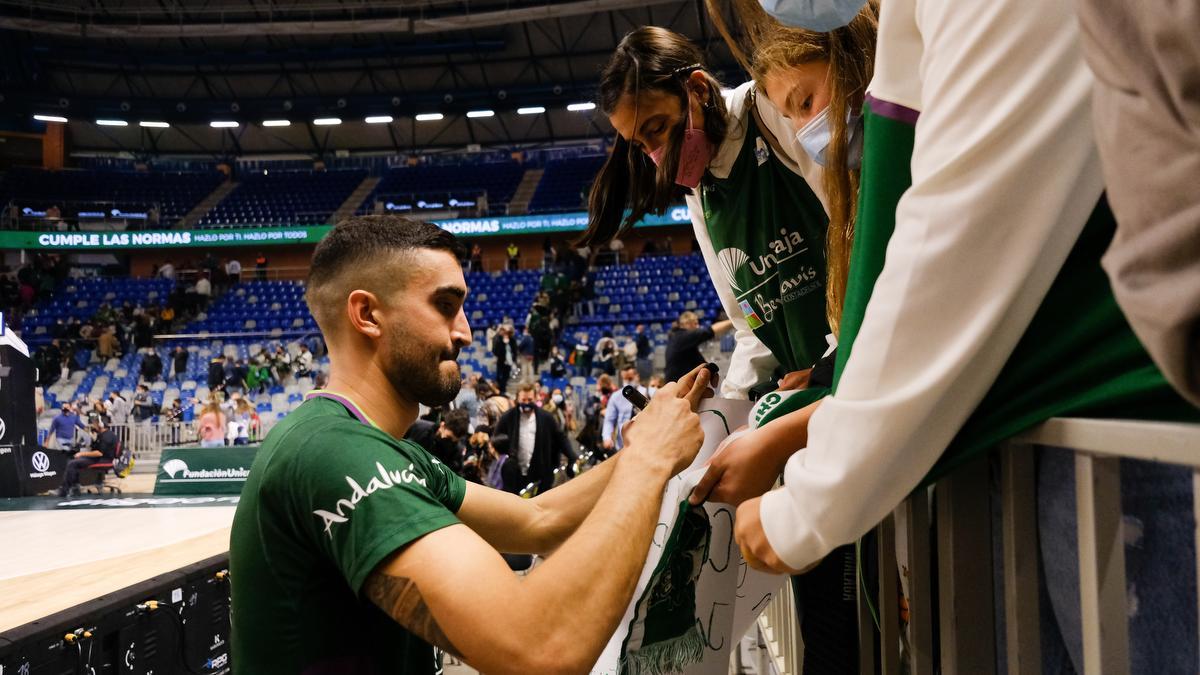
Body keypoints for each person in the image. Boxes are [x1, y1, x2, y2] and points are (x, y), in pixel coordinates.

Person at [229, 215, 709, 673]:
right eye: (444, 305)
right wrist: (649, 460)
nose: (465, 332)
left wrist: (649, 444)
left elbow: (539, 521)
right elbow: (538, 647)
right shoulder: (334, 451)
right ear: (367, 314)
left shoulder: (383, 449)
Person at [580, 25, 833, 399]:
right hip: (812, 388)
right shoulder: (698, 190)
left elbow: (855, 233)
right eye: (641, 144)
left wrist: (831, 364)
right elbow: (751, 330)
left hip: (859, 357)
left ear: (697, 89)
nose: (655, 153)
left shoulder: (768, 108)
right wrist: (721, 410)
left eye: (659, 128)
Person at [494, 382, 578, 495]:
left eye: (530, 400)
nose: (527, 403)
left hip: (540, 473)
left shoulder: (546, 418)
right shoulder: (508, 417)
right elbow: (496, 438)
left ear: (536, 398)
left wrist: (572, 457)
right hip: (515, 474)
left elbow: (561, 438)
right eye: (523, 400)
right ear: (517, 398)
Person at [664, 311, 733, 382]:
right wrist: (733, 321)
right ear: (686, 323)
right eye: (695, 323)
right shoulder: (681, 337)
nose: (698, 326)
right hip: (678, 386)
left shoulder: (677, 338)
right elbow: (710, 331)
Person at [58, 417, 118, 497]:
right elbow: (96, 448)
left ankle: (65, 490)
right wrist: (94, 439)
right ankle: (74, 486)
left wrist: (82, 454)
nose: (94, 426)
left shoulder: (107, 436)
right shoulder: (103, 434)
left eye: (95, 424)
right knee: (74, 461)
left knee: (73, 463)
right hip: (100, 458)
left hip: (104, 460)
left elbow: (99, 453)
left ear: (101, 425)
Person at [602, 366, 646, 453]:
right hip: (623, 446)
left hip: (645, 443)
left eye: (630, 378)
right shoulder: (616, 397)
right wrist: (607, 437)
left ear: (637, 376)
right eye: (625, 379)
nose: (628, 381)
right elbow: (609, 420)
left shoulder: (647, 393)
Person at [490, 324, 515, 394]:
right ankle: (500, 391)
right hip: (501, 361)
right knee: (499, 377)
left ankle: (503, 391)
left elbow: (515, 350)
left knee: (505, 377)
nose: (505, 333)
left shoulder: (512, 340)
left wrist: (514, 360)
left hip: (509, 362)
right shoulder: (499, 340)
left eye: (507, 332)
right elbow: (496, 351)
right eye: (504, 332)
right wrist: (503, 343)